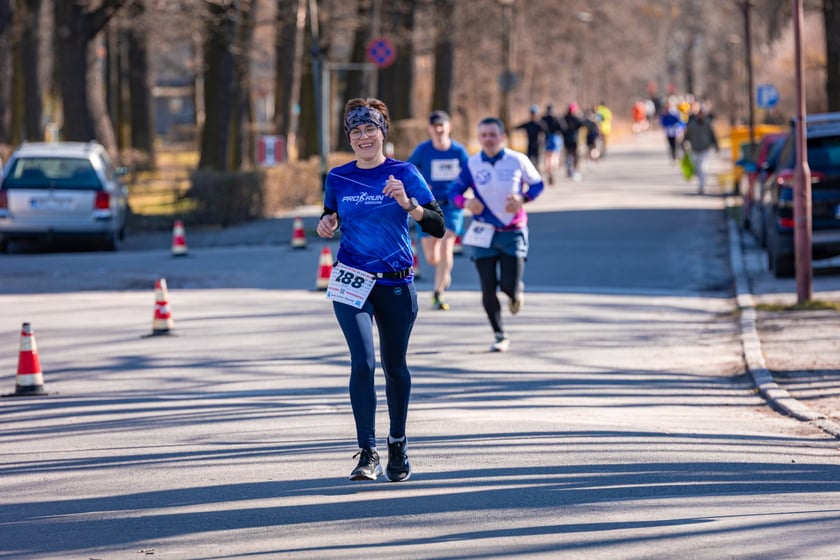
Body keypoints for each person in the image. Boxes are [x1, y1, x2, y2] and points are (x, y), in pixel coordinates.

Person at [316, 97, 445, 482]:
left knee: (394, 366)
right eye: (355, 131)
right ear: (349, 138)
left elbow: (437, 224)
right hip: (352, 280)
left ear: (382, 132)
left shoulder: (404, 172)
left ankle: (398, 442)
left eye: (370, 128)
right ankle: (367, 451)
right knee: (362, 363)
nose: (363, 136)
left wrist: (408, 205)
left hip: (395, 281)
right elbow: (330, 214)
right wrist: (326, 223)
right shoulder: (338, 177)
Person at [448, 117, 544, 352]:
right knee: (487, 287)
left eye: (493, 134)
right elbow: (454, 192)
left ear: (502, 137)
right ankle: (500, 334)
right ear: (479, 138)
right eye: (484, 135)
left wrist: (522, 198)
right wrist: (466, 202)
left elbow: (537, 184)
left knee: (509, 286)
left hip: (513, 231)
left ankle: (515, 292)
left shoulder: (517, 160)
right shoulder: (472, 164)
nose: (488, 139)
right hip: (484, 233)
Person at [408, 110, 470, 310]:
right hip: (428, 206)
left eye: (442, 125)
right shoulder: (423, 150)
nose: (439, 129)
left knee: (446, 245)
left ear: (449, 127)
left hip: (451, 207)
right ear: (430, 129)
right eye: (435, 126)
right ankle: (444, 272)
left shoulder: (458, 151)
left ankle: (438, 292)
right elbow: (408, 170)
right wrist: (420, 185)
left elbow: (470, 174)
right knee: (432, 257)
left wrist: (463, 193)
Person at [681, 105, 719, 194]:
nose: (700, 116)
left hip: (705, 149)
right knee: (697, 168)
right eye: (699, 114)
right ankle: (700, 181)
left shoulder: (707, 124)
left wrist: (716, 146)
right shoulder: (692, 125)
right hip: (694, 149)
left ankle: (701, 186)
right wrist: (683, 146)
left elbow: (712, 136)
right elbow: (686, 137)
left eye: (702, 114)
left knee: (703, 168)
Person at [515, 104, 547, 170]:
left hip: (538, 145)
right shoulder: (528, 124)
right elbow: (519, 127)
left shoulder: (540, 124)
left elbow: (546, 132)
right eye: (532, 113)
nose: (533, 115)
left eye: (534, 113)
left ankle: (538, 172)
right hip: (530, 144)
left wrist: (544, 141)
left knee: (538, 161)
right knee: (529, 160)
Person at [540, 104, 564, 185]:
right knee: (555, 155)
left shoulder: (544, 118)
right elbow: (563, 127)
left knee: (548, 156)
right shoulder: (556, 118)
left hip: (547, 138)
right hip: (556, 137)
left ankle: (549, 170)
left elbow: (541, 128)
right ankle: (552, 170)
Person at [561, 103, 584, 181]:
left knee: (568, 154)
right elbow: (582, 124)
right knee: (575, 155)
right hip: (574, 139)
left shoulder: (564, 118)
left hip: (566, 139)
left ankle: (569, 169)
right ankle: (574, 170)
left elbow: (561, 127)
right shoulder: (576, 118)